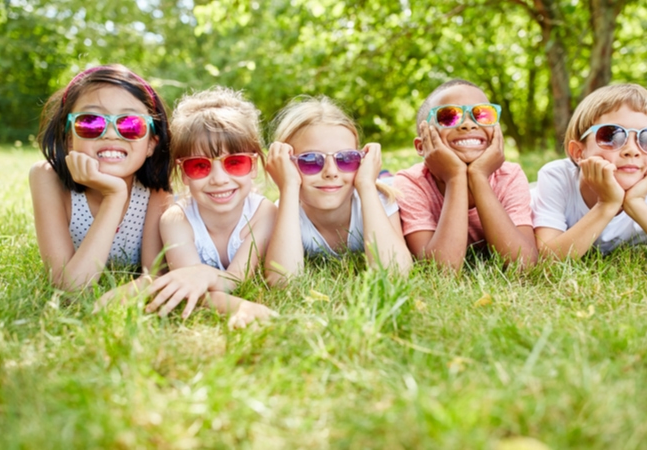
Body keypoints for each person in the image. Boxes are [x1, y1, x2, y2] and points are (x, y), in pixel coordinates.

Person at [143, 87, 277, 326]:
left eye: (235, 163)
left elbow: (238, 279)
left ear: (254, 166)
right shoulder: (176, 220)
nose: (219, 179)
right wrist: (237, 306)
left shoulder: (263, 213)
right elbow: (191, 289)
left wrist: (203, 273)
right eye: (199, 166)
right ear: (183, 173)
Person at [30, 64, 171, 290]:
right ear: (69, 139)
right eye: (90, 122)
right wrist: (114, 196)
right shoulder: (47, 178)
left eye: (131, 124)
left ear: (151, 144)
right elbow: (70, 288)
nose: (111, 133)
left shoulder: (157, 186)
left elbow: (155, 276)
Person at [531, 83, 647, 261]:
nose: (632, 150)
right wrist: (607, 204)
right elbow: (547, 259)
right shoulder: (558, 177)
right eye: (611, 136)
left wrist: (636, 204)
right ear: (579, 153)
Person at [264, 96, 412, 286]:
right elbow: (282, 282)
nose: (331, 172)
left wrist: (367, 184)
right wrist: (288, 187)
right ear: (285, 164)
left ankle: (382, 175)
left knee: (387, 182)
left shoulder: (379, 200)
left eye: (346, 159)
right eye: (310, 160)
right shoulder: (285, 213)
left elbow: (396, 274)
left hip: (377, 184)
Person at [393, 79, 537, 270]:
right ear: (422, 145)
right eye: (448, 117)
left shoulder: (509, 176)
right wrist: (455, 177)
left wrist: (478, 175)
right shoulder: (411, 183)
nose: (468, 125)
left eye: (483, 115)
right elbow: (443, 270)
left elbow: (523, 264)